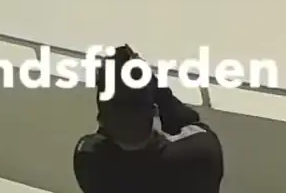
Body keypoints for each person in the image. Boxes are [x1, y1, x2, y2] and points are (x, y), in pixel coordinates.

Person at [73, 47, 224, 193]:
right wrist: (152, 82)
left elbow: (100, 136)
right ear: (155, 111)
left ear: (102, 120)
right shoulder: (201, 152)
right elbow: (188, 119)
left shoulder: (89, 160)